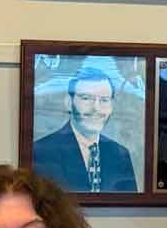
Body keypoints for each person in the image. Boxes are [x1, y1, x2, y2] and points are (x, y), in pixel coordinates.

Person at [32, 65, 139, 196]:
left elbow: (128, 210)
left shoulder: (121, 155)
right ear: (68, 102)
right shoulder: (41, 151)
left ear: (111, 107)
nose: (96, 108)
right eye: (86, 98)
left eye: (104, 100)